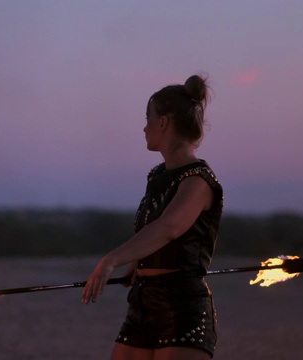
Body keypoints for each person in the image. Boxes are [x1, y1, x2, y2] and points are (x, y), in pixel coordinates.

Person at [82, 75, 223, 360]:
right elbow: (156, 233)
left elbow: (169, 227)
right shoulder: (158, 176)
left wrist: (111, 260)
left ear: (163, 123)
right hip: (142, 305)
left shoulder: (198, 181)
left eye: (148, 118)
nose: (144, 127)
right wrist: (138, 263)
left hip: (182, 308)